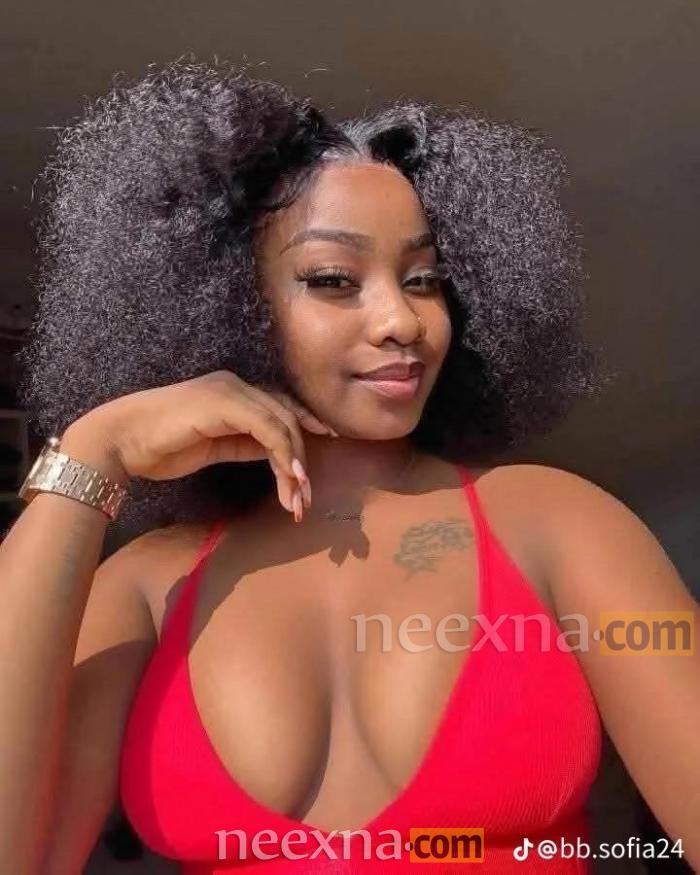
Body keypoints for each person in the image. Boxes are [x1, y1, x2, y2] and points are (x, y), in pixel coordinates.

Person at [1, 57, 698, 874]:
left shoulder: (555, 524)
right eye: (334, 279)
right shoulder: (147, 585)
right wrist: (95, 450)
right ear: (229, 303)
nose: (402, 319)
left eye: (424, 280)